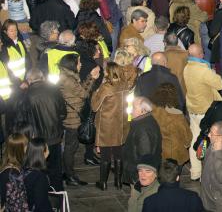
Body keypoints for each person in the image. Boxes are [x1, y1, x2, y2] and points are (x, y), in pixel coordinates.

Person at [14, 68, 66, 191]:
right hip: (55, 136)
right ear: (42, 77)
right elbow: (63, 113)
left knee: (38, 170)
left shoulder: (26, 96)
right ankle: (58, 195)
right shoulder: (54, 90)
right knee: (56, 168)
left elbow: (21, 121)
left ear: (29, 80)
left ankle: (42, 194)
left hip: (36, 141)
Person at [92, 62, 137, 190]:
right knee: (119, 155)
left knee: (105, 156)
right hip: (122, 124)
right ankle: (118, 182)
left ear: (109, 72)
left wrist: (95, 93)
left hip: (107, 125)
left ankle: (103, 182)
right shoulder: (124, 85)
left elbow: (95, 107)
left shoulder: (106, 88)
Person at [58, 53, 99, 186]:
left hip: (71, 116)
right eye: (78, 62)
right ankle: (70, 176)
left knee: (69, 146)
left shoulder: (68, 76)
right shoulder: (68, 79)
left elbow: (80, 89)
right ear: (72, 64)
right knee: (71, 147)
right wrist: (92, 78)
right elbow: (83, 93)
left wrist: (88, 78)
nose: (80, 64)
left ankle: (66, 171)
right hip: (72, 118)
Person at [183, 43, 222, 181]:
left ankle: (195, 172)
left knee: (194, 139)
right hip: (205, 111)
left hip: (193, 109)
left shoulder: (187, 68)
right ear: (201, 55)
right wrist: (212, 71)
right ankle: (204, 174)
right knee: (205, 142)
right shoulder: (204, 70)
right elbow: (220, 84)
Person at [0, 134, 51, 211]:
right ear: (20, 149)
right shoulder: (11, 173)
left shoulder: (19, 168)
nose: (29, 148)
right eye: (27, 145)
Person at [149, 84, 192, 172]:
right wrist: (187, 144)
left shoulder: (152, 113)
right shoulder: (177, 114)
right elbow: (187, 136)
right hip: (176, 154)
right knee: (174, 178)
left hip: (159, 153)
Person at [123, 97, 163, 187]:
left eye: (133, 107)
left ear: (143, 111)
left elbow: (145, 156)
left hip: (139, 176)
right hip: (137, 172)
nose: (130, 110)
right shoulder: (142, 122)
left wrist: (140, 178)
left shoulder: (143, 129)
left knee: (138, 199)